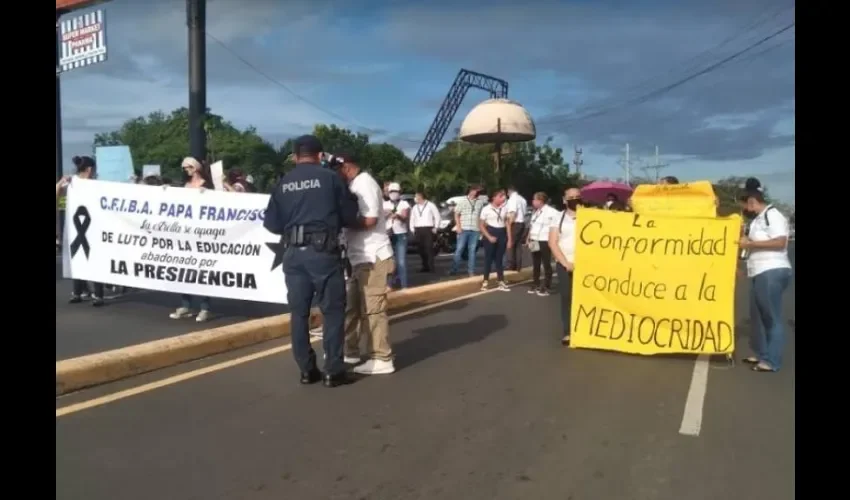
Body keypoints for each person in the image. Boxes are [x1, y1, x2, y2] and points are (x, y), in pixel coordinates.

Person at [264, 135, 358, 388]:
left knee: (298, 313)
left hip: (293, 255)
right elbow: (350, 215)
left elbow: (271, 224)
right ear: (320, 155)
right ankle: (334, 370)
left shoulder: (283, 183)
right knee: (333, 310)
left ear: (295, 157)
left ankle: (307, 370)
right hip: (323, 253)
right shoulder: (330, 178)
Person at [335, 150, 397, 375]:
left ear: (347, 166)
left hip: (373, 256)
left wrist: (344, 221)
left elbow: (370, 219)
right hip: (358, 257)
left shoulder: (365, 183)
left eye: (337, 169)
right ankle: (351, 351)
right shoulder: (353, 185)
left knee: (373, 310)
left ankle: (381, 357)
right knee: (352, 308)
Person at [738, 179, 793, 373]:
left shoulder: (773, 215)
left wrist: (750, 245)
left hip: (772, 271)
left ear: (753, 201)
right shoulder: (758, 219)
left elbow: (780, 243)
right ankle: (761, 354)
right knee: (758, 316)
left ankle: (772, 360)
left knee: (771, 317)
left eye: (746, 203)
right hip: (758, 271)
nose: (745, 207)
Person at [169, 157, 216, 322]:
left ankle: (205, 307)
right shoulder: (186, 186)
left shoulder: (207, 186)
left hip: (203, 234)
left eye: (187, 167)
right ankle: (185, 304)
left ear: (195, 168)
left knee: (203, 270)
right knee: (185, 269)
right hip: (187, 233)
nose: (186, 170)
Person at [58, 156, 105, 306]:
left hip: (77, 225)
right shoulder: (91, 184)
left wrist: (60, 184)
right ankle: (93, 293)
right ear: (90, 169)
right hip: (88, 225)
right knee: (89, 257)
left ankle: (79, 292)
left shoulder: (72, 182)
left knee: (79, 256)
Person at [548, 187, 581, 346]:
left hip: (586, 265)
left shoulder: (589, 216)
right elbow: (552, 242)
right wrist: (565, 263)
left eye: (577, 196)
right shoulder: (558, 217)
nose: (574, 199)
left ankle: (585, 331)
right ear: (564, 200)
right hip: (565, 264)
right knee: (567, 297)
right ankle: (568, 331)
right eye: (571, 197)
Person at [479, 188, 511, 291]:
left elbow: (507, 223)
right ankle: (485, 281)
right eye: (500, 197)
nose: (503, 198)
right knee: (488, 258)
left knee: (499, 259)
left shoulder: (504, 208)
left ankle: (500, 280)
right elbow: (481, 225)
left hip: (501, 232)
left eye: (503, 197)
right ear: (494, 198)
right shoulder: (486, 209)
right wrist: (489, 236)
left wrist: (509, 238)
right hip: (490, 232)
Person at [526, 192, 558, 296]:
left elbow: (556, 227)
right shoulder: (535, 212)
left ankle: (547, 285)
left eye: (534, 200)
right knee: (536, 263)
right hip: (535, 239)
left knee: (546, 263)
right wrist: (528, 238)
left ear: (540, 201)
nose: (533, 202)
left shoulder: (552, 212)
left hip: (545, 240)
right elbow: (532, 225)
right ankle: (536, 283)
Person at [450, 185, 485, 276]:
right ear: (469, 191)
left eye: (476, 191)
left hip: (475, 229)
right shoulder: (462, 201)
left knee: (472, 250)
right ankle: (454, 269)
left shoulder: (480, 202)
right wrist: (458, 227)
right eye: (473, 190)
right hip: (464, 228)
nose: (474, 192)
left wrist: (481, 229)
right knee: (459, 249)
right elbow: (456, 214)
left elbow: (481, 216)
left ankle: (471, 271)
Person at [383, 182, 410, 289]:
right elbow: (382, 217)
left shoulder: (404, 204)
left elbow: (404, 217)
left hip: (400, 234)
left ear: (399, 192)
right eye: (391, 192)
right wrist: (388, 214)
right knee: (389, 261)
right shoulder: (385, 204)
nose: (393, 194)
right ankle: (389, 285)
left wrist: (396, 215)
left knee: (401, 261)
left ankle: (404, 286)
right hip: (388, 233)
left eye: (395, 192)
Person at [409, 191, 441, 272]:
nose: (415, 198)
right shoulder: (415, 207)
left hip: (428, 228)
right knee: (420, 249)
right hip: (418, 229)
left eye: (416, 197)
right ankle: (424, 266)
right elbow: (412, 218)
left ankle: (431, 266)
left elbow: (437, 216)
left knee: (429, 248)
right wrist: (412, 228)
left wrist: (436, 227)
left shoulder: (430, 205)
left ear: (421, 197)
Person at [505, 185, 528, 271]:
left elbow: (512, 213)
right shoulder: (522, 199)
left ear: (509, 191)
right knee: (518, 246)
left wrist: (509, 224)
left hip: (514, 223)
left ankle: (510, 265)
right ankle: (518, 266)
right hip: (521, 223)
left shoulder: (512, 199)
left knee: (510, 244)